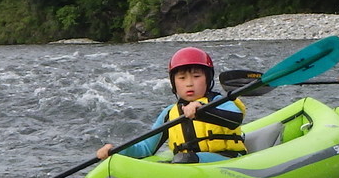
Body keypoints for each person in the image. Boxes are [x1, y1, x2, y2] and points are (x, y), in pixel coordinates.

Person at [96, 47, 247, 164]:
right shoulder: (170, 113)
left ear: (208, 79)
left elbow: (235, 119)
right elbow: (146, 148)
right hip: (187, 162)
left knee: (185, 159)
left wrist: (201, 110)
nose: (189, 83)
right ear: (174, 83)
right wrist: (118, 151)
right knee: (182, 159)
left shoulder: (220, 101)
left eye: (196, 76)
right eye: (182, 78)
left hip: (226, 159)